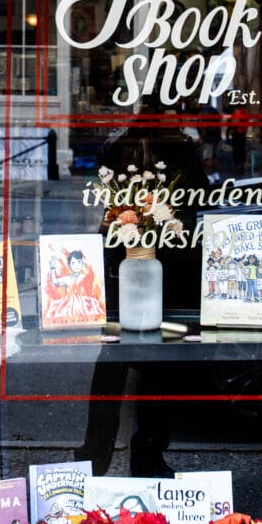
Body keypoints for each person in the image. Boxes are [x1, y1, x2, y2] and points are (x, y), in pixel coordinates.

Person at [73, 97, 212, 478]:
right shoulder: (178, 147)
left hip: (135, 258)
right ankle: (143, 455)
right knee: (150, 363)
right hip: (158, 260)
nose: (178, 117)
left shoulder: (120, 145)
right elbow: (201, 194)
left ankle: (98, 453)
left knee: (119, 360)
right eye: (174, 110)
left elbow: (102, 200)